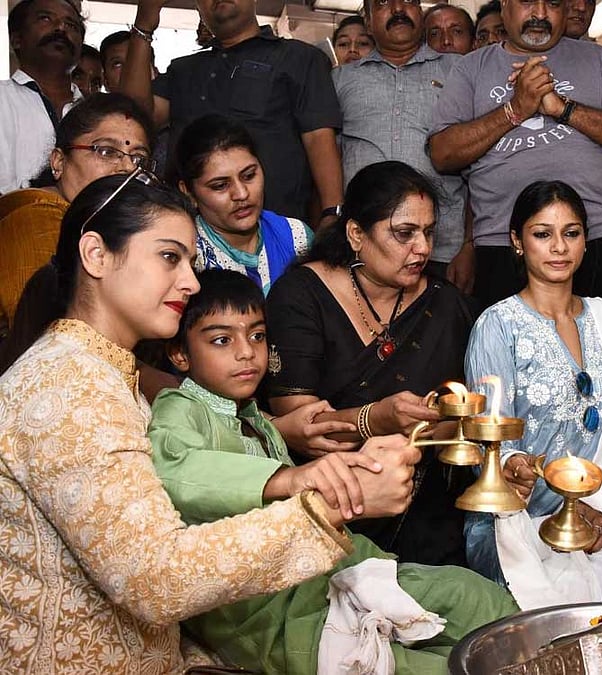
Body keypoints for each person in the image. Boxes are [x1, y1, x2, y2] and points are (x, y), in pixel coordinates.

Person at [0, 172, 423, 672]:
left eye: (191, 261)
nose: (191, 282)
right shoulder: (71, 387)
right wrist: (332, 503)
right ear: (96, 255)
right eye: (169, 257)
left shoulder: (98, 372)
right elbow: (153, 578)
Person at [148, 268, 518, 673]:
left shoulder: (254, 418)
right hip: (266, 615)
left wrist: (361, 464)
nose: (246, 353)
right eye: (222, 340)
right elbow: (177, 469)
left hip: (319, 578)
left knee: (482, 600)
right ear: (180, 354)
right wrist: (292, 479)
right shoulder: (178, 408)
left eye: (257, 336)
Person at [464, 180, 602, 608]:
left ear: (585, 240)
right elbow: (486, 447)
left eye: (571, 233)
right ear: (517, 241)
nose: (559, 247)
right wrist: (513, 467)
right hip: (521, 524)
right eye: (543, 234)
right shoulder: (497, 326)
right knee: (558, 598)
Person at [266, 161, 475, 566]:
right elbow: (300, 425)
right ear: (356, 234)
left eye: (429, 232)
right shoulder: (302, 296)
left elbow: (468, 414)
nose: (423, 248)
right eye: (404, 233)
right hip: (334, 503)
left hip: (429, 509)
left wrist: (434, 425)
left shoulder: (445, 305)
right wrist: (376, 419)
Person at [429, 0, 602, 321]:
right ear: (505, 5)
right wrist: (516, 109)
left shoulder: (597, 59)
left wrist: (562, 108)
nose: (541, 14)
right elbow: (442, 154)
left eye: (553, 3)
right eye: (528, 2)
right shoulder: (470, 68)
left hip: (597, 239)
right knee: (509, 351)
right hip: (504, 245)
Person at [121, 0, 343, 223]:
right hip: (187, 230)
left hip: (276, 230)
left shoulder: (300, 58)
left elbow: (319, 139)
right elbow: (130, 119)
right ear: (198, 7)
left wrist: (332, 214)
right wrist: (144, 24)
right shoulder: (183, 70)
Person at [0, 92, 154, 344]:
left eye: (139, 159)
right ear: (59, 162)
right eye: (106, 151)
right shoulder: (33, 218)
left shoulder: (94, 226)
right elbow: (48, 339)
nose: (127, 168)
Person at [333, 0, 468, 284]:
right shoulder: (341, 79)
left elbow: (483, 166)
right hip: (365, 249)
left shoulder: (459, 70)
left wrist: (470, 244)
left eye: (408, 0)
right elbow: (326, 162)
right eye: (383, 3)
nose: (397, 9)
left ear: (420, 12)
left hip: (444, 251)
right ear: (368, 21)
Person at [174, 114, 313, 295]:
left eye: (249, 176)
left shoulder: (297, 238)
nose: (241, 194)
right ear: (188, 193)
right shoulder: (187, 256)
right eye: (220, 186)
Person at [1, 0, 84, 194]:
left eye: (71, 25)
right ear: (16, 39)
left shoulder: (96, 112)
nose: (61, 28)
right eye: (45, 18)